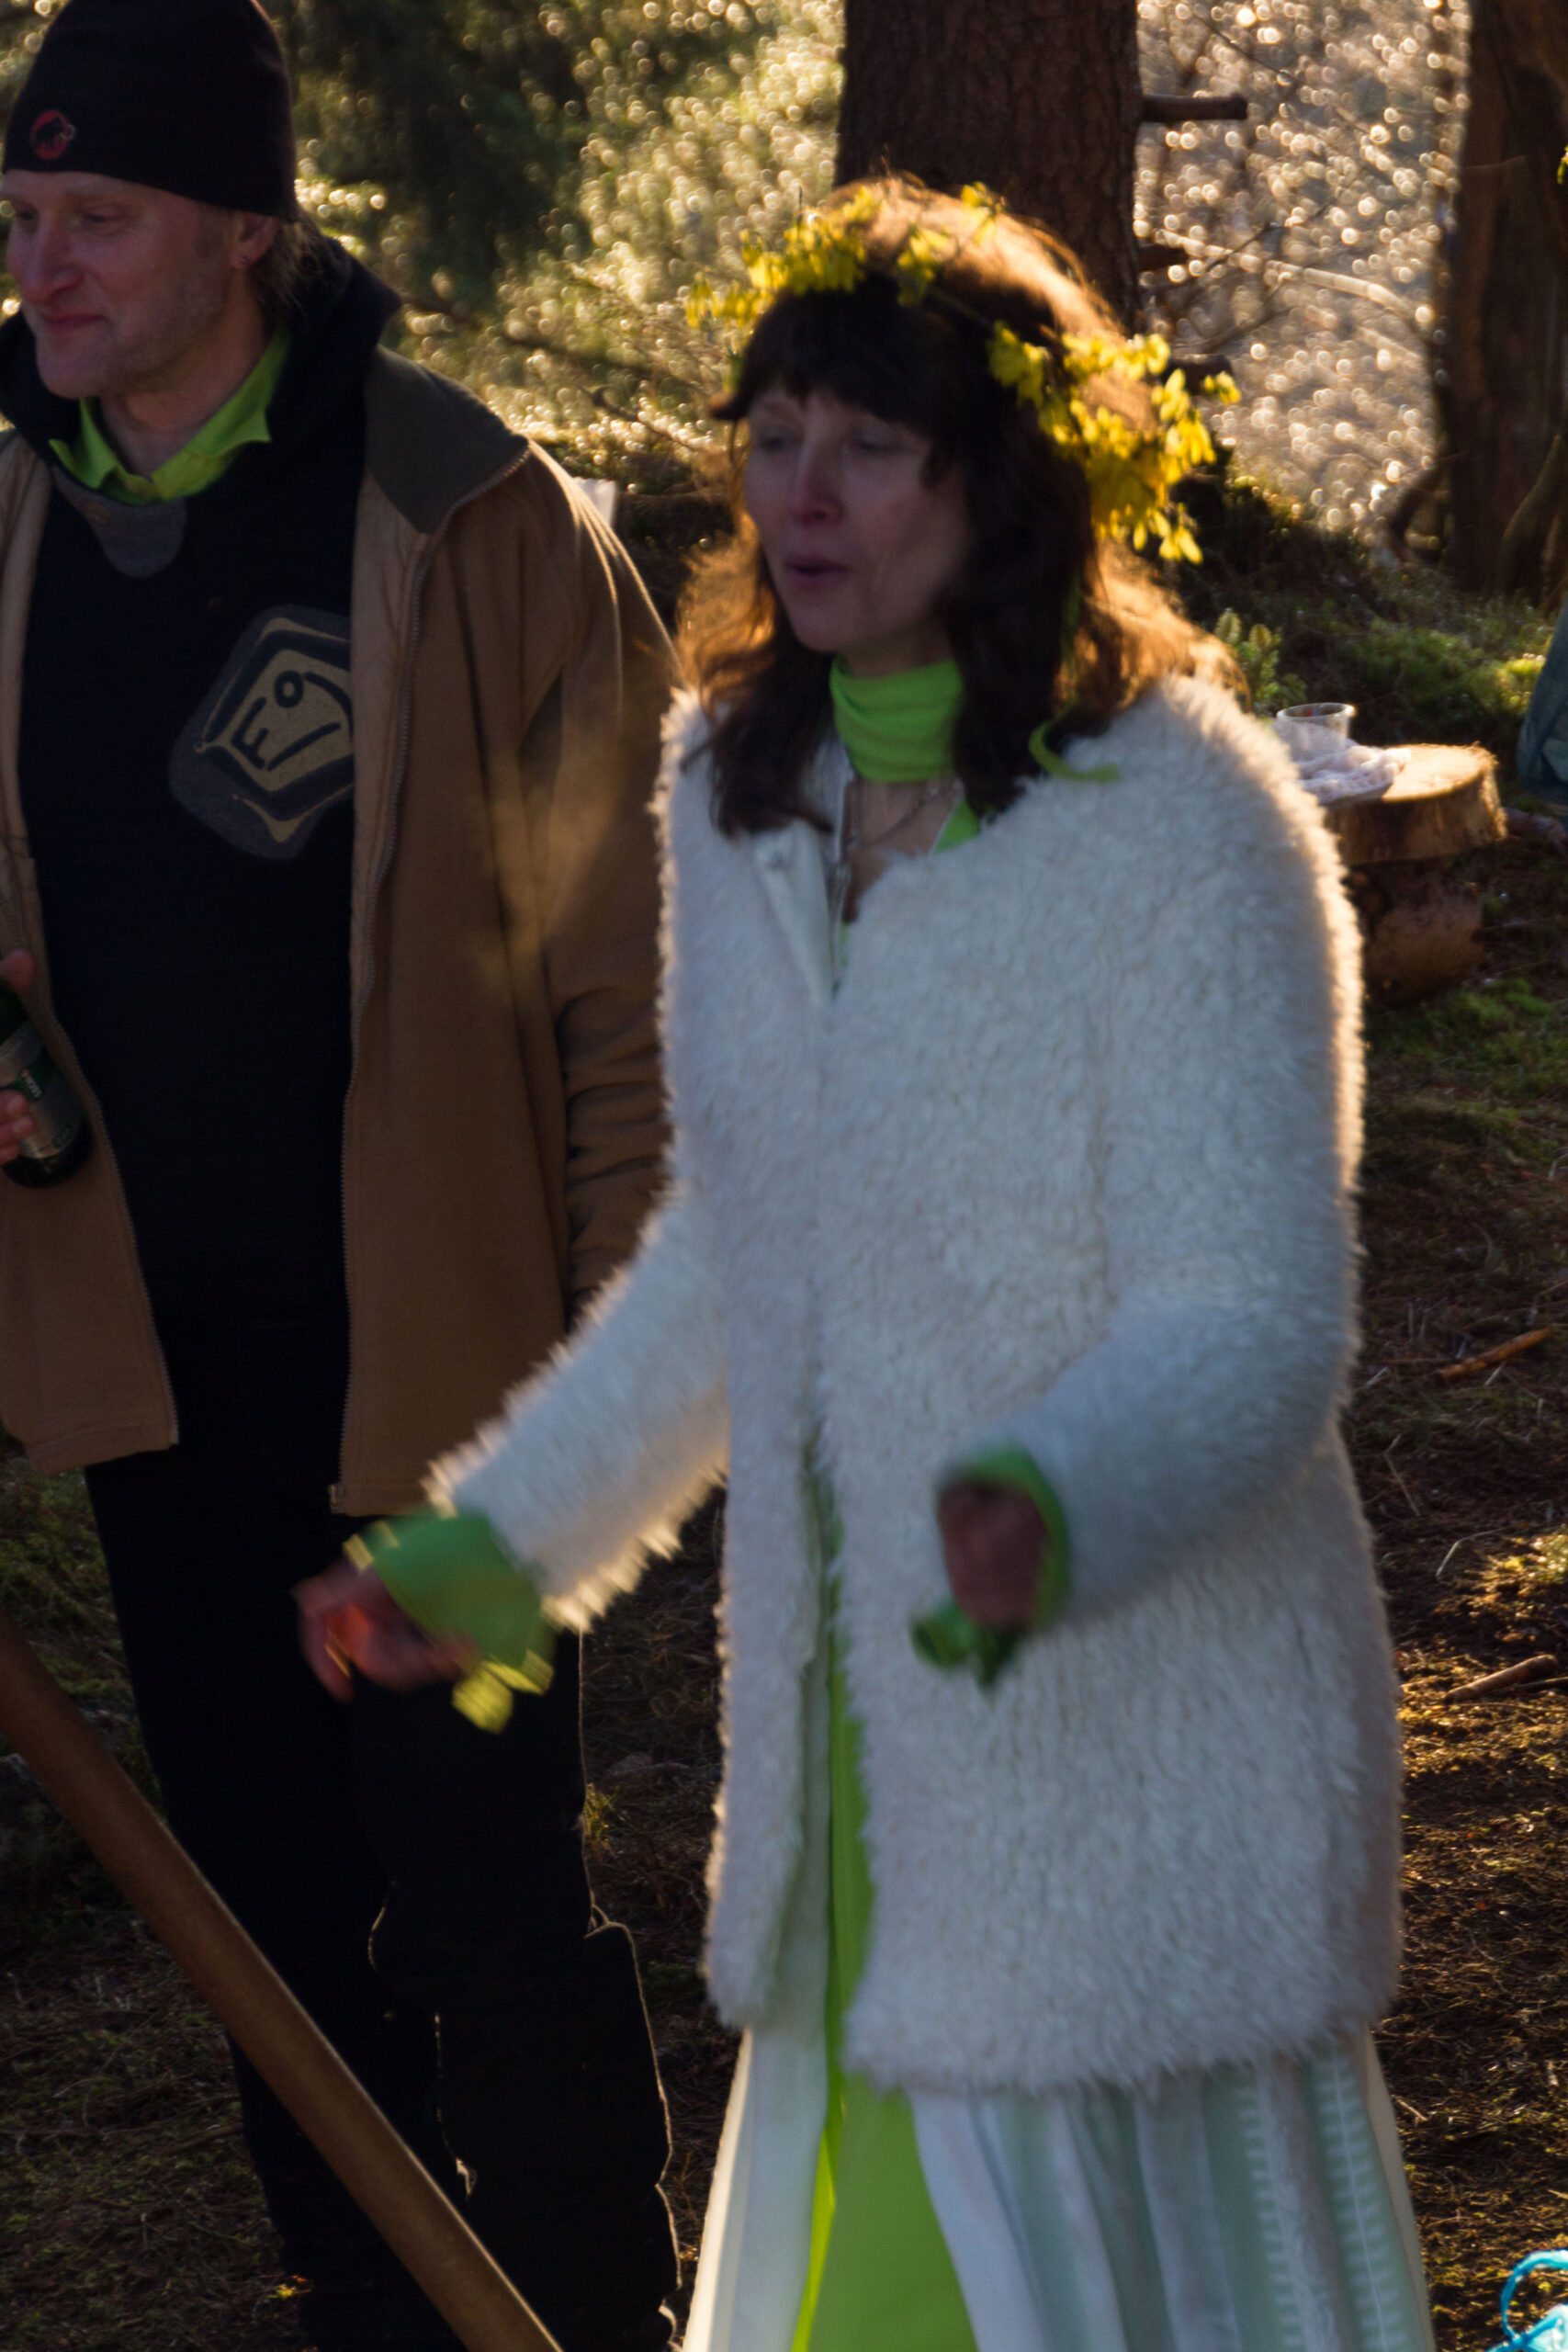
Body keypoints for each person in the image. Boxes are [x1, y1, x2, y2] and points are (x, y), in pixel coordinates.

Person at [300, 180, 1437, 2352]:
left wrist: (1050, 1497)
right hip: (853, 1770)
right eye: (772, 435)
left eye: (868, 446)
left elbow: (1252, 1317)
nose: (799, 495)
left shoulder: (1183, 820)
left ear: (999, 484)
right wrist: (497, 1543)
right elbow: (737, 1260)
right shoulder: (739, 791)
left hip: (1121, 1771)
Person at [0, 3, 680, 2347]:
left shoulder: (470, 518)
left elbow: (631, 991)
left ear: (245, 234)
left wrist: (613, 1399)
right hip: (145, 1367)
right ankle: (376, 2322)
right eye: (23, 213)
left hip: (446, 1377)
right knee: (260, 1918)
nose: (44, 264)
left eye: (99, 218)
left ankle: (585, 2312)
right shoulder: (3, 505)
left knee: (486, 1899)